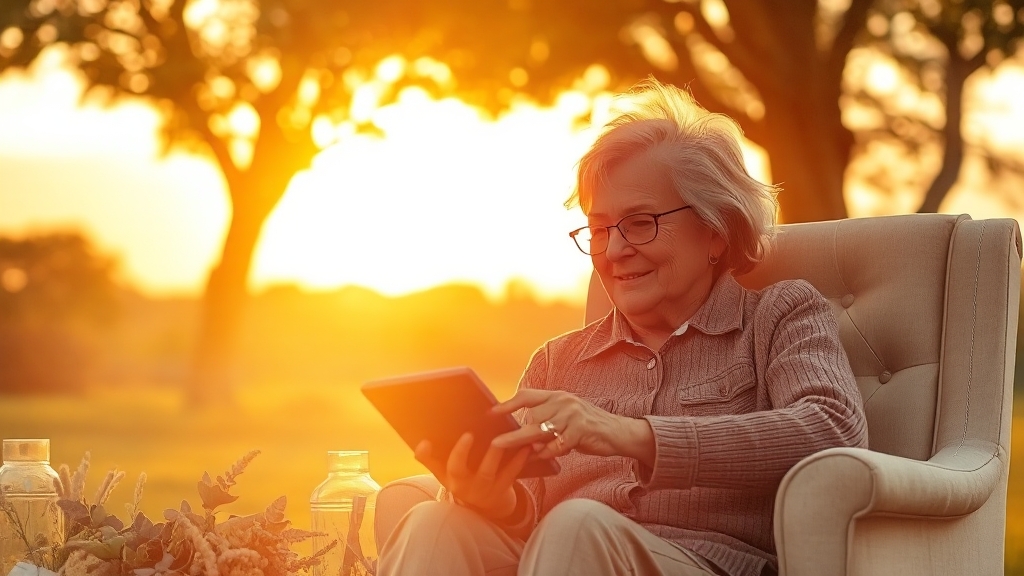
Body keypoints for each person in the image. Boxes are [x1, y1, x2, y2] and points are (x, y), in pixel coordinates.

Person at [377, 78, 868, 576]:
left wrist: (630, 434)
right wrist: (498, 500)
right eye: (598, 229)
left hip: (707, 564)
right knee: (433, 523)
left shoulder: (778, 316)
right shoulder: (556, 361)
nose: (612, 252)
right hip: (558, 558)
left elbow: (834, 430)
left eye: (640, 223)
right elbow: (525, 515)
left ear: (715, 229)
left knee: (577, 525)